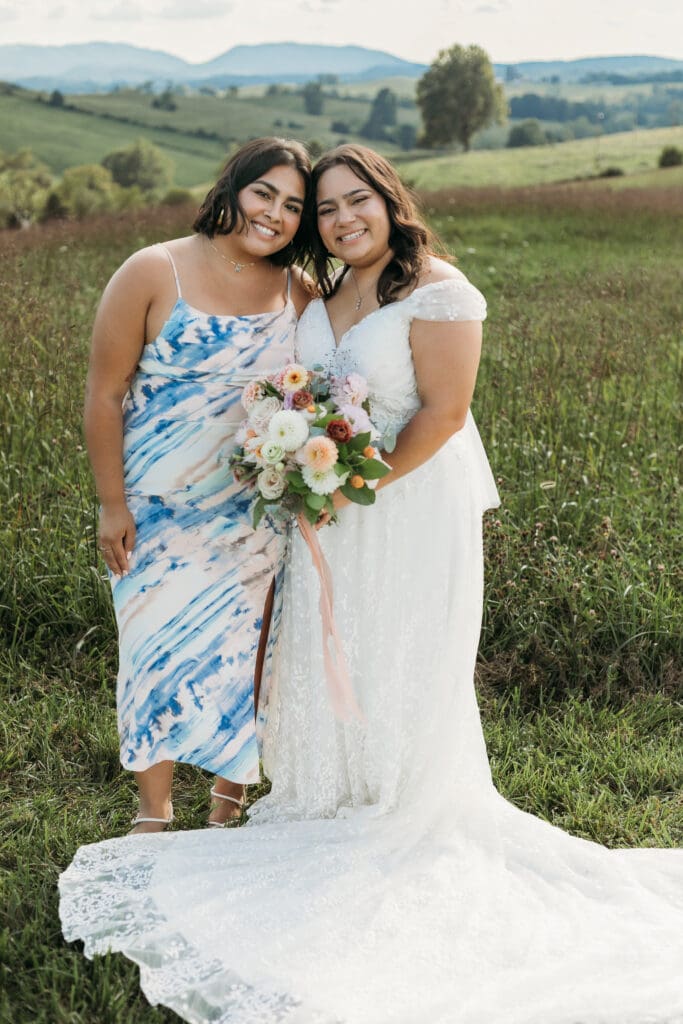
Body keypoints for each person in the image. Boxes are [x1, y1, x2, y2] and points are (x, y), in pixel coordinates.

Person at [60, 145, 683, 1023]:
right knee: (325, 644)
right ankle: (324, 793)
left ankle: (390, 800)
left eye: (353, 202)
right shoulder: (321, 290)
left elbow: (445, 412)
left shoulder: (438, 288)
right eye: (322, 208)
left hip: (397, 502)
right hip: (323, 510)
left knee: (398, 646)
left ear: (390, 201)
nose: (336, 218)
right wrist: (312, 478)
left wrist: (349, 482)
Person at [83, 137, 312, 833]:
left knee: (248, 656)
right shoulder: (154, 270)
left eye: (293, 206)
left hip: (254, 511)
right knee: (152, 649)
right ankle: (153, 809)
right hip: (156, 507)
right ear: (234, 188)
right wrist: (111, 503)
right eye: (264, 193)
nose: (274, 214)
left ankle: (227, 807)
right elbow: (103, 393)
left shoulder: (297, 290)